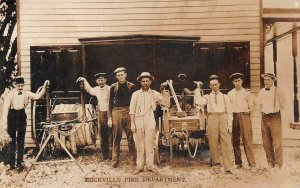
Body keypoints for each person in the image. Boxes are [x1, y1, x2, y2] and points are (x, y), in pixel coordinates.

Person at [1, 76, 49, 172]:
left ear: (24, 85)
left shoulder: (26, 93)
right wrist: (5, 123)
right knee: (12, 140)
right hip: (12, 116)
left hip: (22, 116)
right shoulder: (10, 94)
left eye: (22, 86)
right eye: (18, 86)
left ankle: (20, 162)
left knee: (21, 139)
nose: (20, 87)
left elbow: (37, 96)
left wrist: (44, 86)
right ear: (15, 85)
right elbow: (5, 109)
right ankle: (11, 164)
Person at [195, 74, 234, 174]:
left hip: (224, 118)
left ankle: (228, 167)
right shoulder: (207, 97)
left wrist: (229, 124)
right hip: (212, 118)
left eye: (216, 84)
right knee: (213, 142)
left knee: (227, 143)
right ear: (209, 86)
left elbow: (230, 111)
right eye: (212, 85)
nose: (214, 86)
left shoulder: (225, 97)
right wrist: (198, 89)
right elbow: (198, 102)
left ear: (219, 84)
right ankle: (216, 165)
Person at [129, 72, 165, 175]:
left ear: (150, 82)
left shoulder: (154, 93)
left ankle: (150, 166)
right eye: (143, 81)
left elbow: (164, 101)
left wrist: (163, 91)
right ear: (140, 82)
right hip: (138, 119)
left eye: (147, 81)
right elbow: (132, 110)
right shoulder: (135, 94)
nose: (145, 83)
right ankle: (139, 166)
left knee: (149, 143)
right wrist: (132, 123)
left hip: (149, 119)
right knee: (139, 144)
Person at [78, 72, 112, 160]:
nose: (101, 82)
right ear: (97, 81)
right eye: (99, 80)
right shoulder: (96, 89)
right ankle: (105, 156)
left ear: (105, 80)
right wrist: (84, 80)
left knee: (110, 134)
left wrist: (110, 116)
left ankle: (113, 155)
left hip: (110, 113)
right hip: (101, 113)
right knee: (102, 134)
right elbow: (89, 89)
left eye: (102, 80)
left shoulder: (110, 89)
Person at [255, 73, 285, 170]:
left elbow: (283, 105)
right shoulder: (262, 91)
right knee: (266, 142)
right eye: (265, 80)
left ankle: (278, 163)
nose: (266, 82)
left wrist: (277, 112)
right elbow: (257, 103)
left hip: (274, 117)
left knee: (277, 142)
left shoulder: (278, 90)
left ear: (273, 80)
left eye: (268, 80)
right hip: (264, 117)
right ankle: (270, 162)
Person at [109, 67, 136, 168]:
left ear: (125, 75)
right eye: (118, 75)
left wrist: (133, 114)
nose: (120, 76)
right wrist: (109, 118)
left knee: (131, 137)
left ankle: (133, 161)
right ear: (116, 76)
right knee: (116, 138)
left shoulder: (131, 86)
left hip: (128, 111)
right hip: (116, 112)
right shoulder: (113, 87)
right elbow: (109, 104)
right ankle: (115, 162)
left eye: (122, 74)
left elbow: (134, 102)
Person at [228, 73, 256, 169]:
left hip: (245, 116)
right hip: (234, 116)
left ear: (242, 81)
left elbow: (251, 107)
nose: (237, 83)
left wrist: (249, 118)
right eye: (235, 81)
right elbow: (228, 108)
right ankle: (238, 163)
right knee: (235, 140)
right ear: (233, 82)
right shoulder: (230, 93)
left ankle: (252, 164)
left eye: (239, 81)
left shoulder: (247, 92)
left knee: (247, 140)